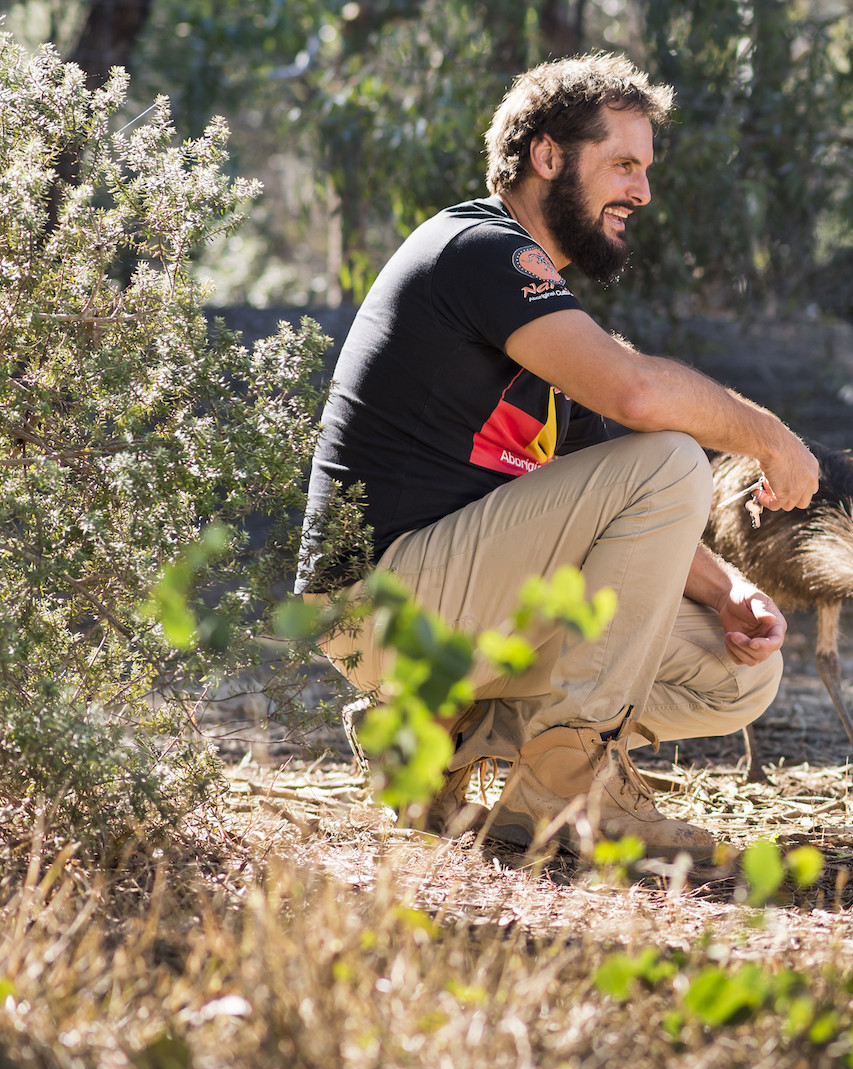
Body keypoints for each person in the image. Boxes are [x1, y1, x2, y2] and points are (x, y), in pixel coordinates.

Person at [299, 53, 823, 861]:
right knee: (671, 455)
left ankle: (441, 731)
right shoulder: (480, 249)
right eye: (621, 164)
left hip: (457, 609)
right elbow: (641, 402)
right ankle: (567, 785)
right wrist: (769, 438)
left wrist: (731, 594)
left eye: (645, 170)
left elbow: (624, 523)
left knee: (739, 672)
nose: (642, 193)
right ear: (547, 157)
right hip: (380, 603)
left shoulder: (550, 328)